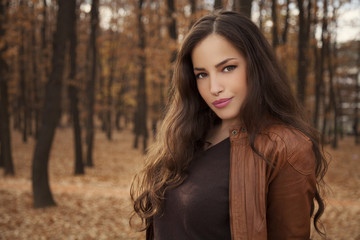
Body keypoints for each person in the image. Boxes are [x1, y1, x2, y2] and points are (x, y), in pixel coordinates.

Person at [130, 10, 327, 240]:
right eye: (202, 74)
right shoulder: (186, 136)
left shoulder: (287, 148)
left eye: (228, 68)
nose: (214, 87)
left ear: (257, 67)